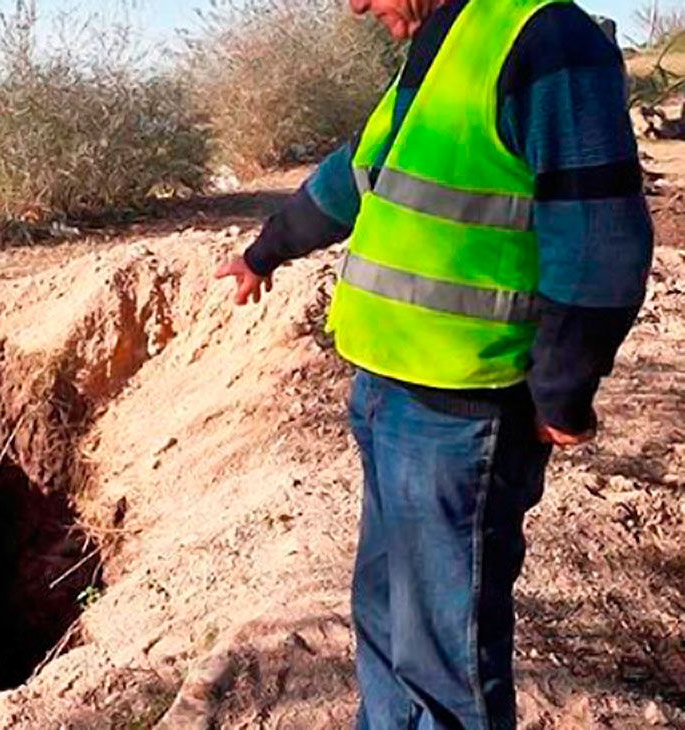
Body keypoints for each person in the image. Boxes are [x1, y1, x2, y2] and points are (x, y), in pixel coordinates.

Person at [216, 0, 654, 728]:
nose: (357, 5)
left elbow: (602, 241)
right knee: (386, 623)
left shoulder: (546, 41)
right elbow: (356, 175)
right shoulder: (442, 44)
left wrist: (561, 394)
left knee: (447, 662)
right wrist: (266, 250)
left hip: (462, 417)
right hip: (387, 397)